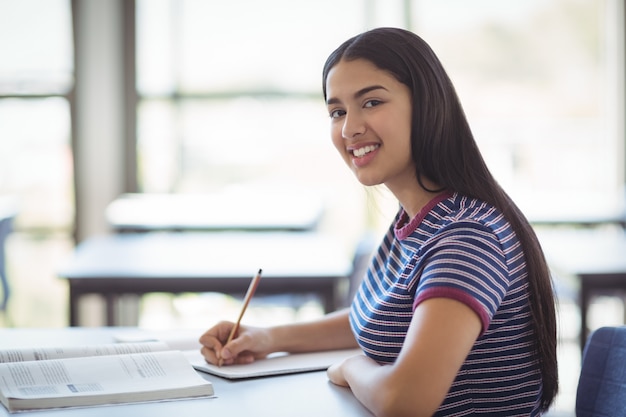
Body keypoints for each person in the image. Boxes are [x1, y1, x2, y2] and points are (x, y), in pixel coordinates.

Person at [199, 27, 558, 416]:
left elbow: (404, 402)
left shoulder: (466, 237)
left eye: (370, 102)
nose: (350, 128)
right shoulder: (419, 218)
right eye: (337, 112)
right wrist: (268, 337)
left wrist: (353, 367)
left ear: (426, 105)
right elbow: (376, 319)